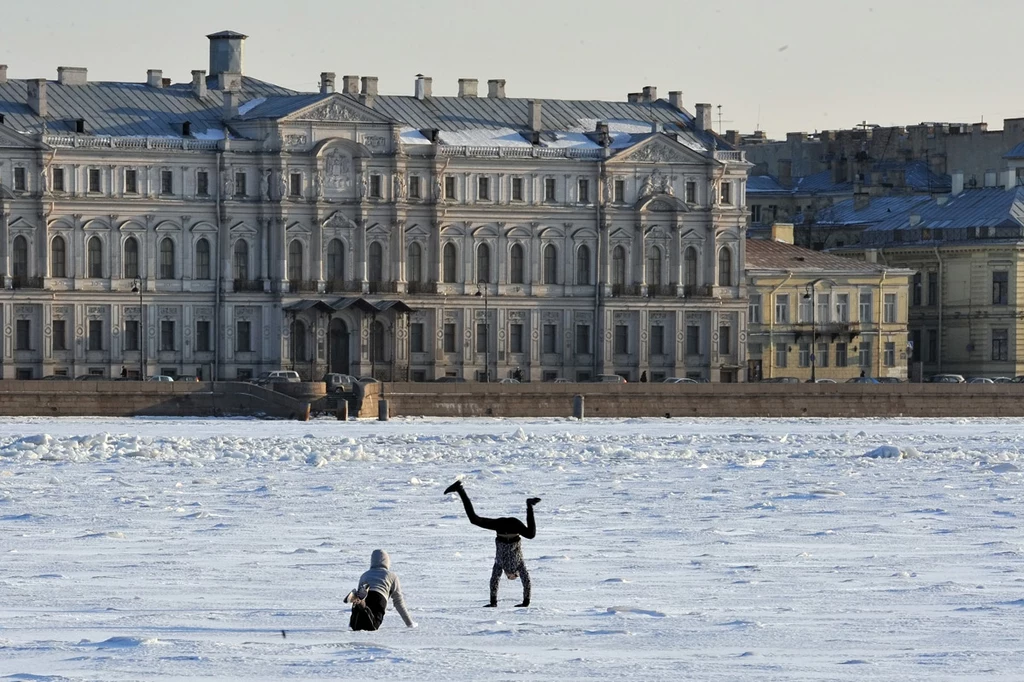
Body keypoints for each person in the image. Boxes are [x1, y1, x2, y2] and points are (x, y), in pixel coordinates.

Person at [444, 480, 539, 607]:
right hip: (513, 528)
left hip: (501, 528)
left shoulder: (499, 564)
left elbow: (494, 581)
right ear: (516, 574)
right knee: (531, 534)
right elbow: (527, 582)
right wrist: (526, 602)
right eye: (514, 577)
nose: (511, 577)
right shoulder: (520, 565)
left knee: (474, 519)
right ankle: (529, 505)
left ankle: (460, 489)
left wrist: (493, 602)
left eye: (509, 578)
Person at [344, 549, 416, 631]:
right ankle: (362, 603)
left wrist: (350, 623)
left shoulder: (365, 575)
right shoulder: (392, 576)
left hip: (366, 594)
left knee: (357, 626)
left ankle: (361, 604)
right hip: (379, 597)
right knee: (373, 626)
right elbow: (398, 601)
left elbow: (358, 596)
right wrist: (409, 623)